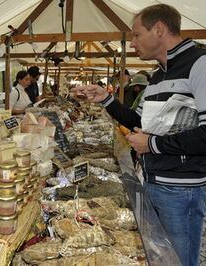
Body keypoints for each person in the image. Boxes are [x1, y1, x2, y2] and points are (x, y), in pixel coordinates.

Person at [74, 4, 206, 266]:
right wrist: (106, 99)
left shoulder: (200, 64)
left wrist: (152, 144)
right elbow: (140, 122)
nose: (132, 43)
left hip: (182, 190)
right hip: (154, 181)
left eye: (136, 34)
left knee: (178, 260)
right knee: (161, 258)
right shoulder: (157, 76)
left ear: (159, 29)